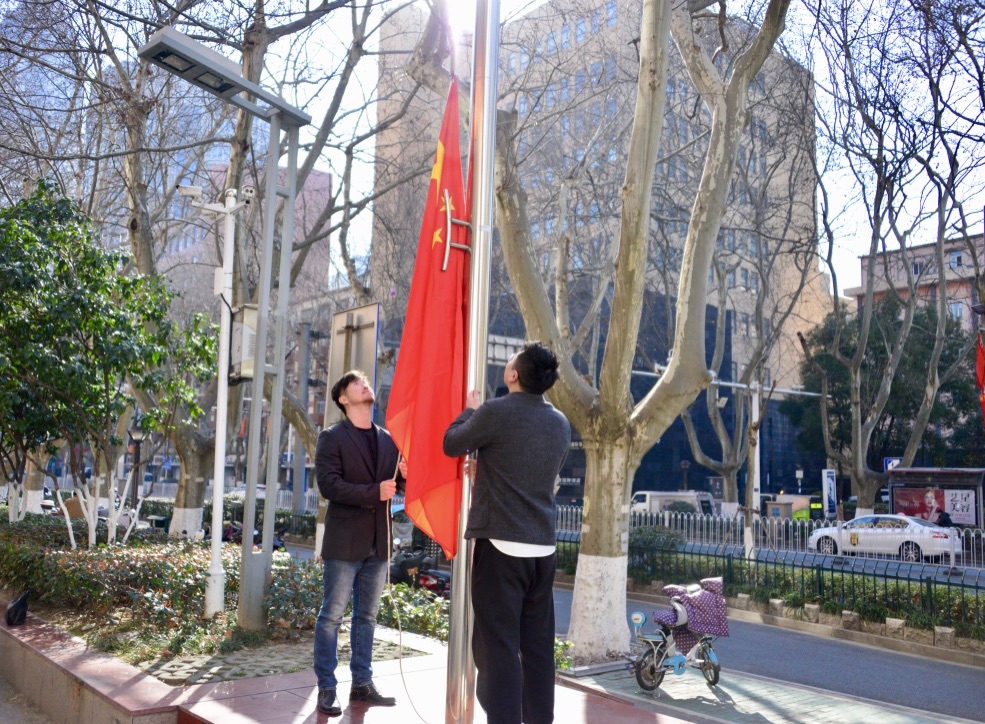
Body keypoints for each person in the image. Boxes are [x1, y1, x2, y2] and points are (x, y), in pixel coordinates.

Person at [443, 341, 571, 724]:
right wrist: (486, 472)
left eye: (513, 357)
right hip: (542, 548)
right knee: (537, 647)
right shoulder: (560, 423)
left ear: (513, 374)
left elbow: (452, 443)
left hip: (500, 545)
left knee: (498, 647)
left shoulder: (495, 411)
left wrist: (470, 409)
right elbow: (531, 473)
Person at [313, 370, 406, 716]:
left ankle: (362, 683)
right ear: (343, 398)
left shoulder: (389, 440)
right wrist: (373, 492)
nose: (364, 385)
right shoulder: (332, 437)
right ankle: (327, 687)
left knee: (367, 617)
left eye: (365, 381)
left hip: (378, 543)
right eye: (356, 383)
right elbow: (329, 486)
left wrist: (405, 477)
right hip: (344, 542)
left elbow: (395, 488)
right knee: (331, 617)